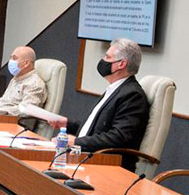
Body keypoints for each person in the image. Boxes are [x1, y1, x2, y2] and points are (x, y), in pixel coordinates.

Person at [48, 38, 149, 171]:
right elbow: (96, 129)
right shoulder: (116, 89)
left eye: (107, 57)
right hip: (87, 157)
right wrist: (66, 124)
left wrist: (76, 142)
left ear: (121, 64)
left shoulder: (132, 95)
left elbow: (118, 137)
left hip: (106, 164)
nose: (103, 60)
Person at [0, 46, 47, 115]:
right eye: (11, 58)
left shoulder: (34, 84)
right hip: (2, 118)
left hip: (15, 123)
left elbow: (26, 110)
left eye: (14, 58)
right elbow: (5, 101)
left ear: (26, 63)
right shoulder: (16, 79)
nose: (10, 61)